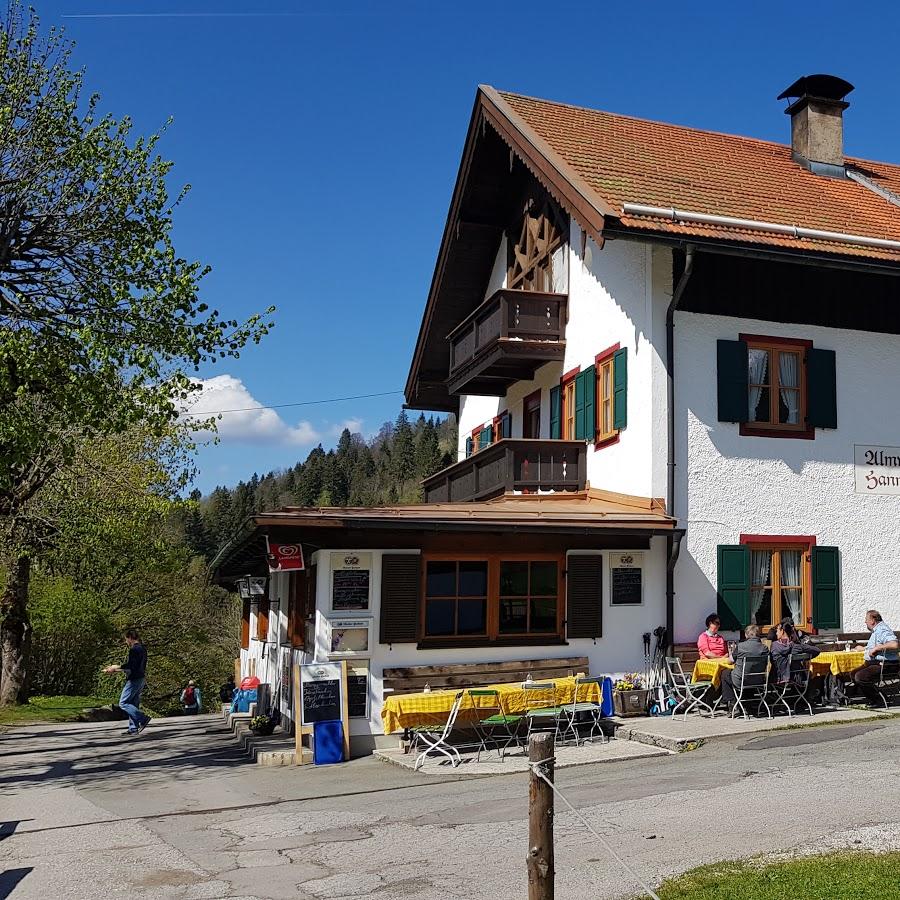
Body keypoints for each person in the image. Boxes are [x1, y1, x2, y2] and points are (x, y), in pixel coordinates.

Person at [103, 628, 151, 736]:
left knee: (123, 703)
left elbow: (131, 666)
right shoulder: (143, 649)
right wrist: (116, 669)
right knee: (133, 703)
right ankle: (133, 728)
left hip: (134, 678)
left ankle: (142, 718)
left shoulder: (134, 649)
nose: (126, 642)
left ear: (130, 638)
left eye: (126, 639)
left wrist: (115, 668)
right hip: (141, 678)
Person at [850, 610, 899, 707]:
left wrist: (877, 648)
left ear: (873, 620)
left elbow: (894, 644)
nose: (865, 622)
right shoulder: (877, 630)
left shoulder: (882, 629)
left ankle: (878, 700)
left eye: (866, 619)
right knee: (853, 674)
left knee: (860, 676)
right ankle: (878, 696)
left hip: (886, 664)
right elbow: (878, 643)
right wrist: (863, 648)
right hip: (875, 663)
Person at [720, 624, 769, 710]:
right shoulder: (764, 648)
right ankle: (747, 704)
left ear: (746, 635)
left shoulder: (741, 646)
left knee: (725, 673)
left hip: (741, 681)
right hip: (758, 681)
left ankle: (731, 702)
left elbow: (730, 661)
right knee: (747, 673)